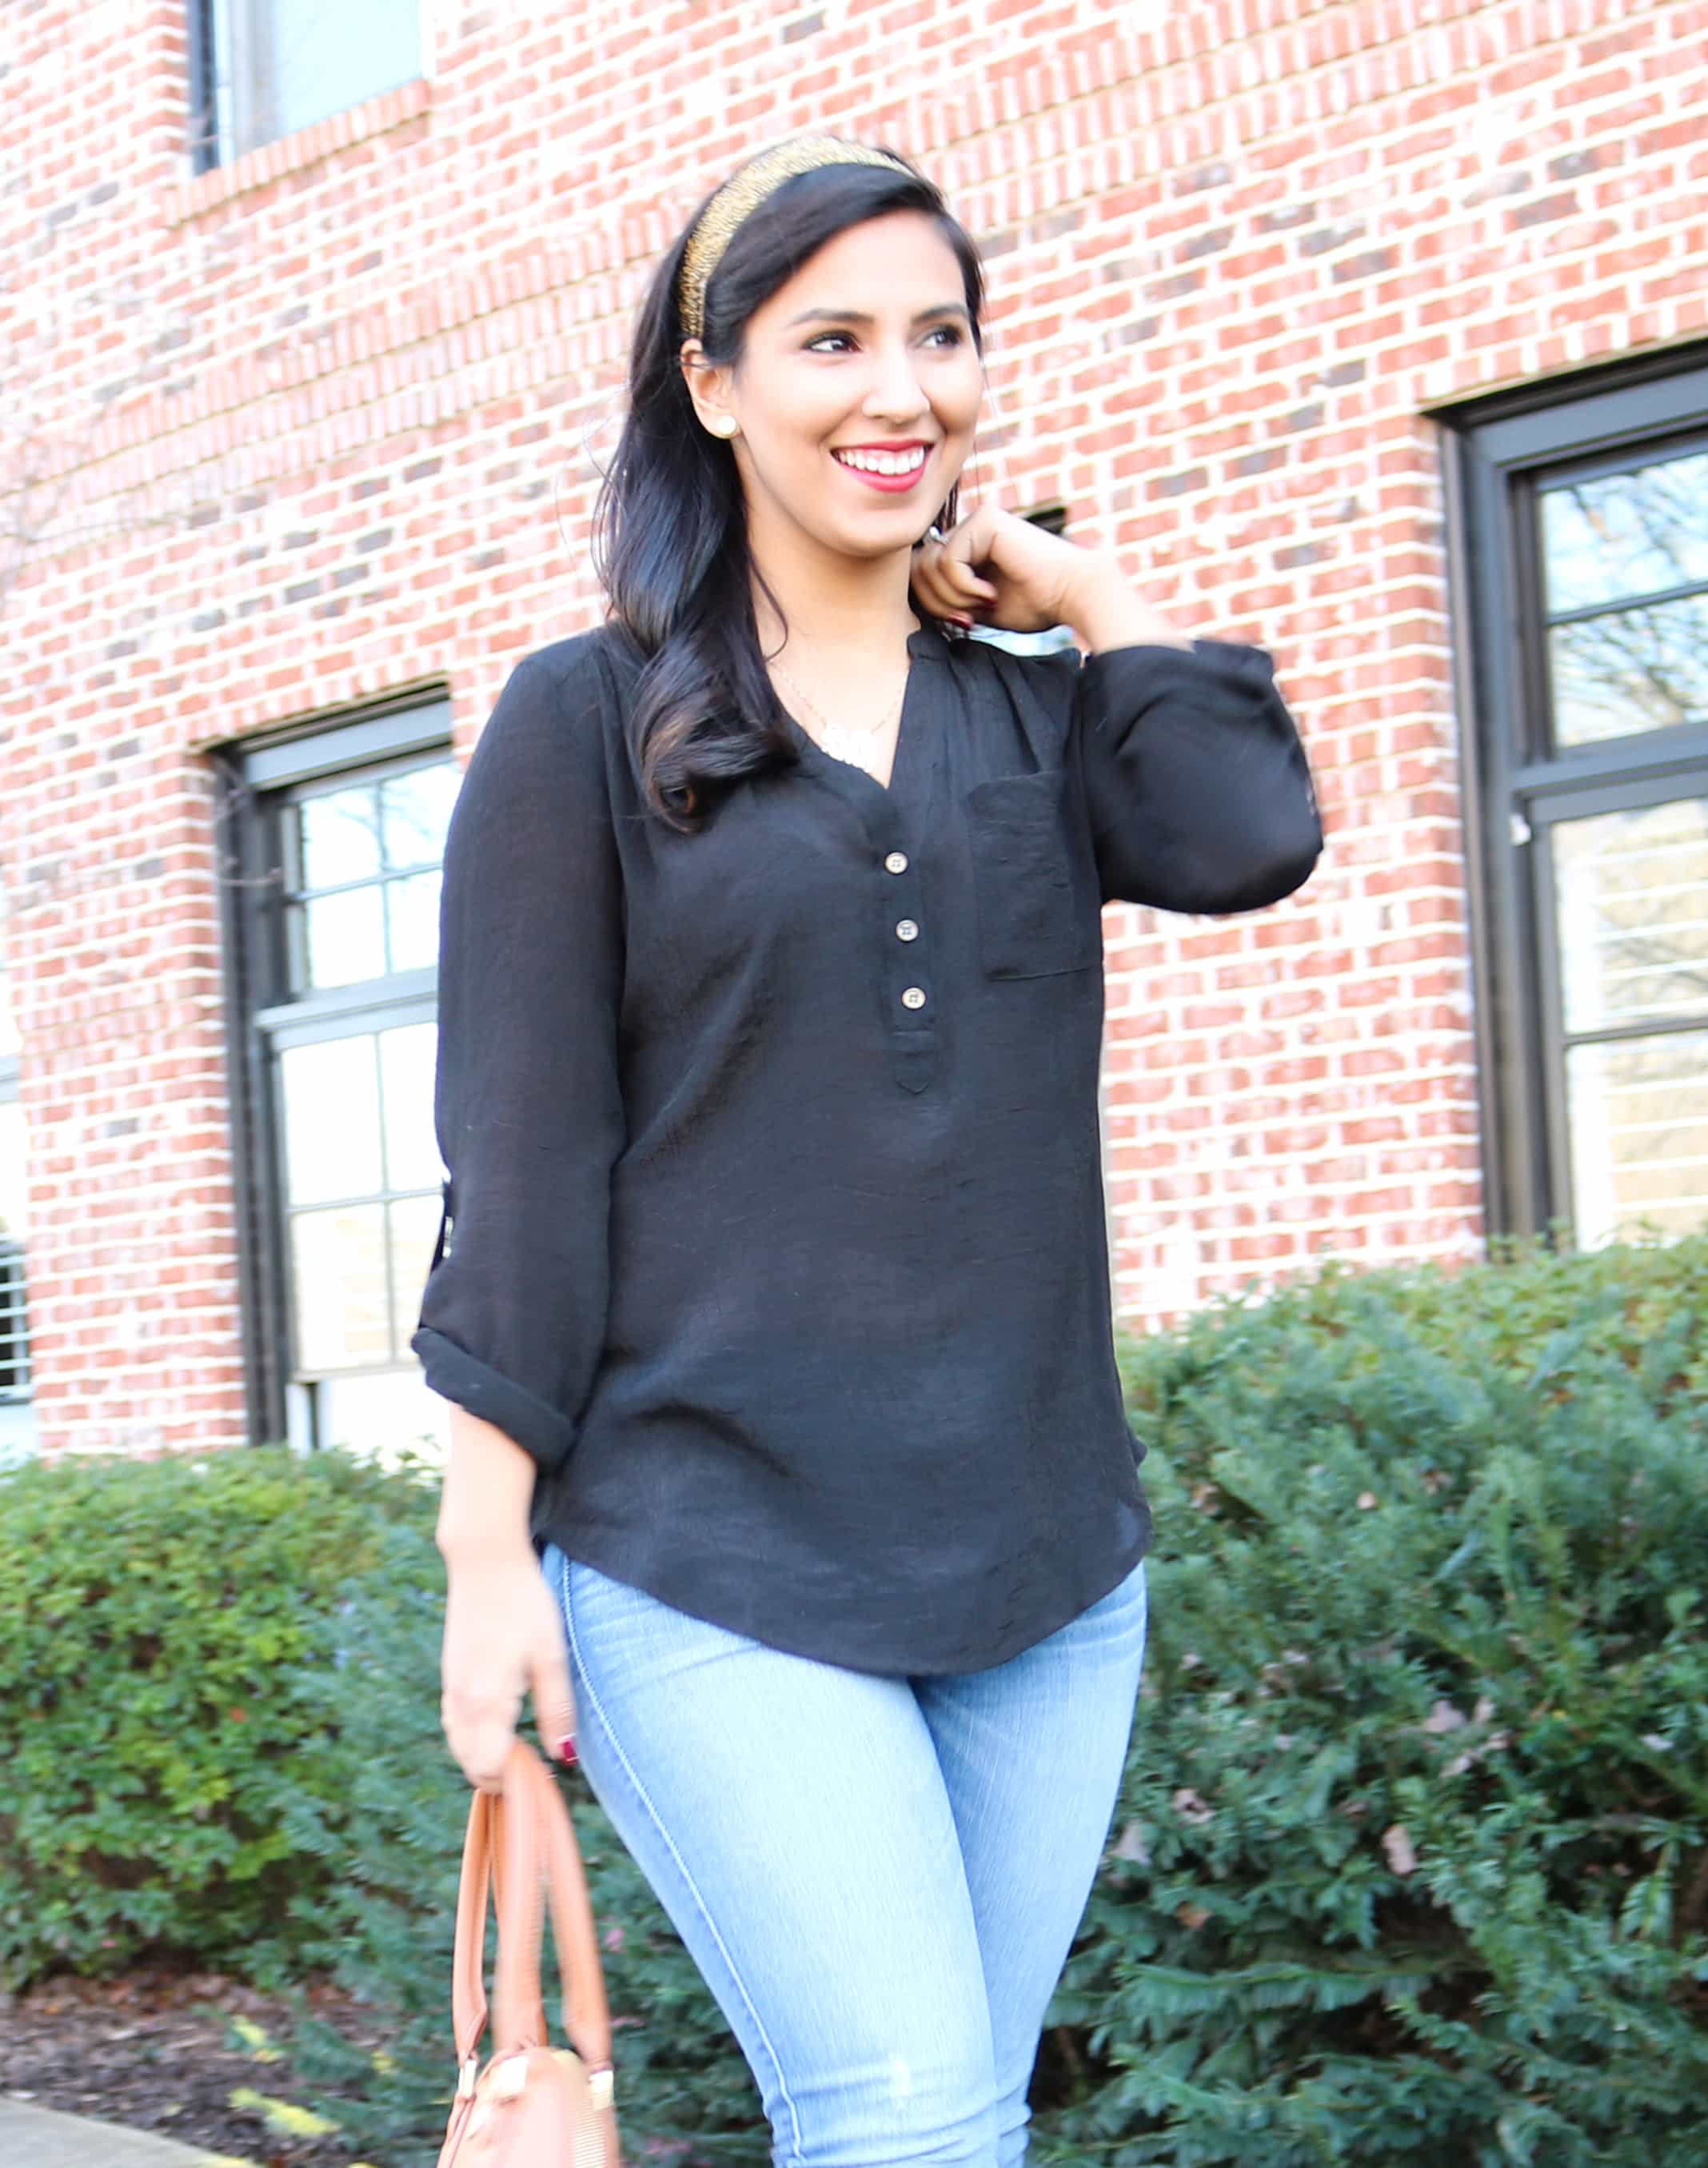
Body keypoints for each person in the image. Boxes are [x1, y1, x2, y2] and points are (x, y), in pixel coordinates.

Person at [413, 132, 1322, 2168]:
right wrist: (490, 1558)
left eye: (941, 335)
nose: (897, 390)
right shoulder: (587, 724)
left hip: (1044, 1559)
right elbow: (523, 1162)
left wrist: (1088, 595)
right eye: (831, 338)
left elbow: (1246, 838)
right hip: (706, 1549)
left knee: (954, 2125)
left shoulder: (1031, 719)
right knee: (910, 2120)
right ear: (715, 383)